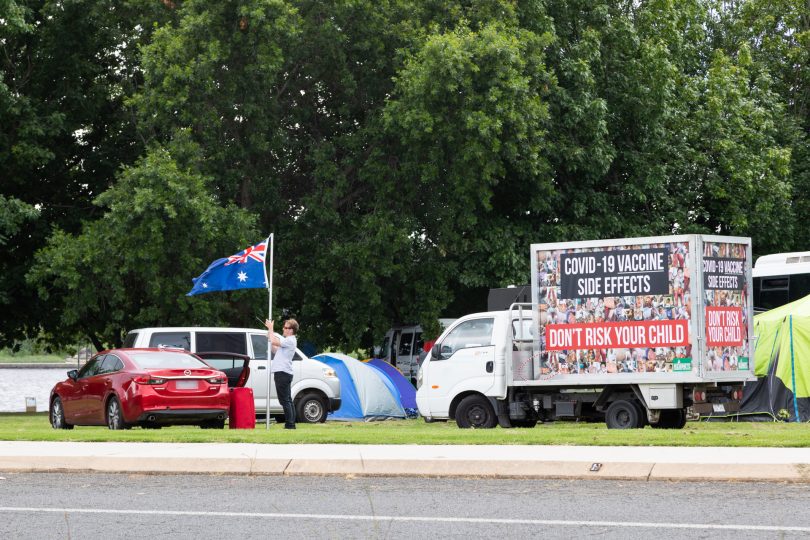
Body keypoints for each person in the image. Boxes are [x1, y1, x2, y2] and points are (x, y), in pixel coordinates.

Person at [265, 318, 299, 429]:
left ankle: (290, 424)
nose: (283, 329)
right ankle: (291, 423)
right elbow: (275, 349)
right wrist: (270, 337)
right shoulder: (287, 341)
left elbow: (275, 341)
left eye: (286, 327)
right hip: (284, 372)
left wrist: (271, 329)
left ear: (291, 330)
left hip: (283, 373)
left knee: (284, 400)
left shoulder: (290, 340)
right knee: (287, 399)